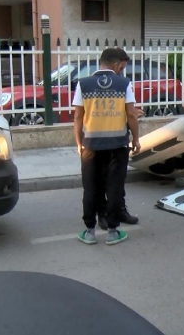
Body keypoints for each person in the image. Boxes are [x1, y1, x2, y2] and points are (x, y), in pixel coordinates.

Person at [73, 47, 141, 245]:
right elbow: (130, 115)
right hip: (117, 146)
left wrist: (78, 143)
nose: (123, 71)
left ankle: (89, 232)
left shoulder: (83, 84)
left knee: (91, 188)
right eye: (123, 67)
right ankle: (112, 232)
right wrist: (135, 139)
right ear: (117, 64)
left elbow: (78, 116)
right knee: (115, 187)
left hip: (90, 146)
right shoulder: (123, 84)